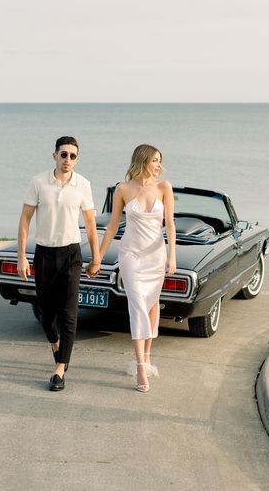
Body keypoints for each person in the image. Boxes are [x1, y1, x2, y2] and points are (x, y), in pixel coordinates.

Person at [88, 144, 176, 393]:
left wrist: (172, 257)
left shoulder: (164, 187)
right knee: (137, 305)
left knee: (151, 306)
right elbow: (114, 226)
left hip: (156, 256)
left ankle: (147, 356)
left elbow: (169, 224)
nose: (159, 165)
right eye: (155, 160)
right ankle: (139, 366)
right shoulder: (123, 189)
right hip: (131, 256)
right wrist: (98, 257)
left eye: (160, 160)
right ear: (143, 160)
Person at [17, 136, 100, 391]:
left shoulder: (82, 184)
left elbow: (90, 224)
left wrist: (96, 257)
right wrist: (22, 256)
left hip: (71, 255)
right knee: (45, 313)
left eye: (73, 156)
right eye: (63, 154)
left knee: (69, 313)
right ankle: (54, 342)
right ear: (55, 155)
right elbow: (25, 220)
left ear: (77, 159)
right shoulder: (39, 182)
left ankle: (60, 369)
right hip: (44, 254)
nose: (67, 160)